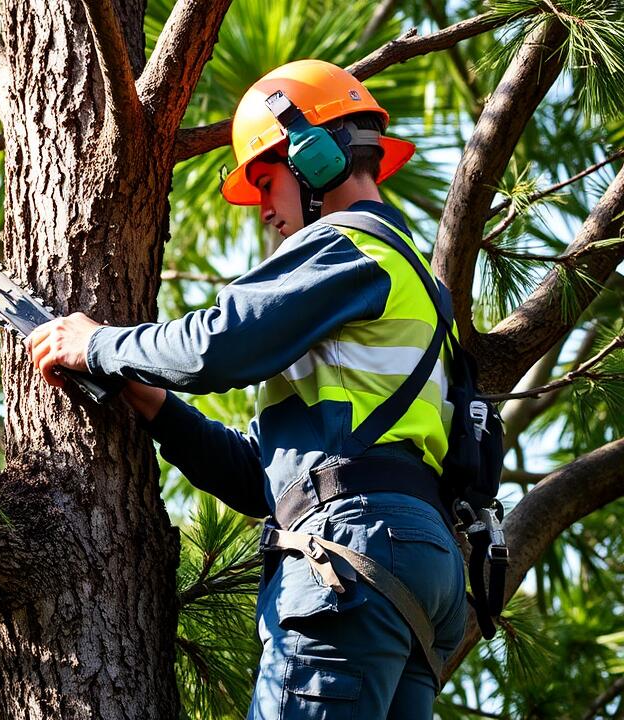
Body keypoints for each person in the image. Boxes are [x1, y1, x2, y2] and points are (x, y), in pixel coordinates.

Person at [23, 59, 468, 718]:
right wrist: (157, 408)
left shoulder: (350, 248)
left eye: (267, 181)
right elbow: (257, 479)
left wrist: (97, 343)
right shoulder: (421, 294)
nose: (264, 210)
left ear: (316, 158)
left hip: (354, 549)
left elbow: (217, 346)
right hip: (417, 569)